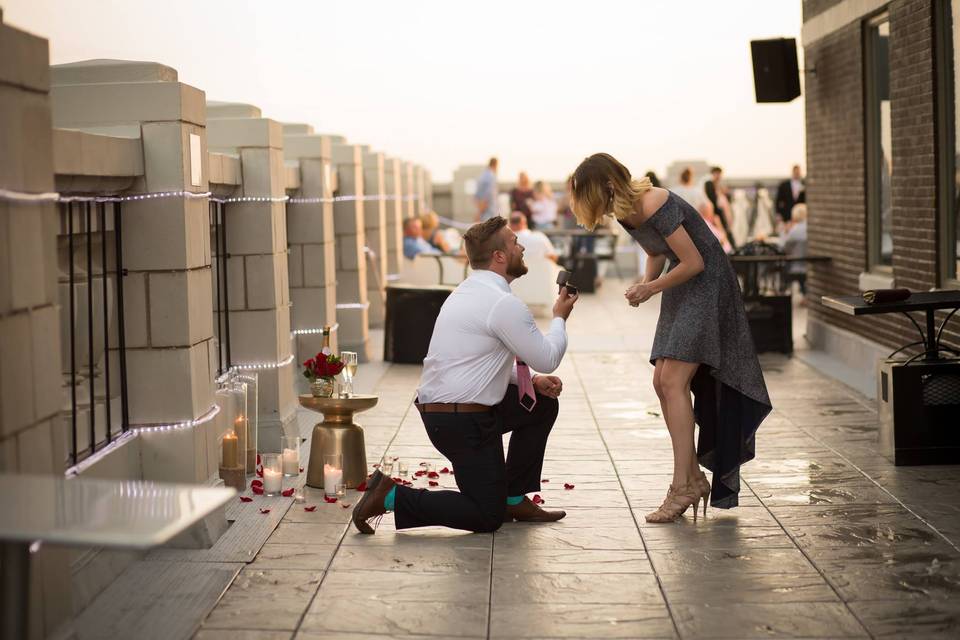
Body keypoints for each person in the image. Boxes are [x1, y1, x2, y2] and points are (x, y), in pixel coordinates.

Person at [569, 153, 771, 522]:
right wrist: (645, 284)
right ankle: (692, 478)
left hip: (707, 284)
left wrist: (653, 289)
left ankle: (683, 486)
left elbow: (695, 261)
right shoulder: (624, 211)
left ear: (608, 186)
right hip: (682, 286)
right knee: (661, 381)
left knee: (674, 380)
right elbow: (655, 251)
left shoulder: (653, 202)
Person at [352, 216, 579, 534]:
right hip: (461, 422)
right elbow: (548, 357)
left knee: (540, 403)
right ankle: (390, 495)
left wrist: (529, 380)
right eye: (515, 242)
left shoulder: (466, 292)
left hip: (452, 412)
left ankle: (513, 499)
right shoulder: (502, 304)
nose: (522, 246)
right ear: (499, 256)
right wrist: (559, 318)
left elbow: (474, 362)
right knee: (486, 516)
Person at [778, 203, 808, 295]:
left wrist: (784, 232)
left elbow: (782, 247)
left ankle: (781, 293)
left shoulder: (795, 230)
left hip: (795, 265)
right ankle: (804, 293)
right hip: (807, 264)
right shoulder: (809, 227)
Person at [704, 166, 736, 251]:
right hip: (715, 215)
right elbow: (712, 200)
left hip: (721, 215)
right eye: (717, 174)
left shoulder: (719, 186)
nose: (718, 176)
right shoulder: (709, 184)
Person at [474, 157, 499, 221]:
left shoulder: (482, 175)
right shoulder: (490, 176)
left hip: (484, 209)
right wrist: (480, 210)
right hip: (488, 210)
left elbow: (476, 195)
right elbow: (488, 194)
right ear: (496, 165)